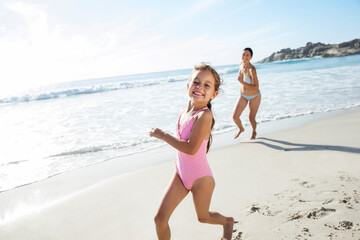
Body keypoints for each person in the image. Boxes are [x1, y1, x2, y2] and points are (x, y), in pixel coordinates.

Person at [149, 63, 234, 240]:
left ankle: (227, 223)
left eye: (206, 85)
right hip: (180, 174)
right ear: (188, 85)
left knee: (203, 217)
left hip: (200, 179)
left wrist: (164, 135)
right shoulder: (184, 111)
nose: (200, 87)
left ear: (214, 94)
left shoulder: (205, 116)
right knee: (159, 219)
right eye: (196, 82)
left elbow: (190, 148)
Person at [233, 47, 261, 140]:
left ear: (251, 57)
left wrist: (242, 83)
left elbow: (256, 87)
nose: (245, 57)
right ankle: (241, 129)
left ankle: (254, 131)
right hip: (243, 95)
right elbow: (241, 77)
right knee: (235, 117)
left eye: (247, 55)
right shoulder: (241, 65)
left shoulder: (252, 69)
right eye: (243, 54)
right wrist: (242, 83)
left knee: (251, 118)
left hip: (254, 96)